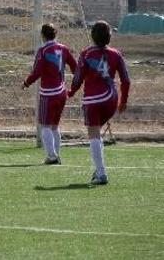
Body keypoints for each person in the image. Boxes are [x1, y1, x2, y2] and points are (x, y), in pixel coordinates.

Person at [68, 21, 130, 185]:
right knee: (97, 133)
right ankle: (99, 169)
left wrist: (71, 92)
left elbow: (78, 78)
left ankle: (101, 173)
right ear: (110, 37)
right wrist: (123, 102)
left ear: (92, 36)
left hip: (93, 100)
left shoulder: (86, 54)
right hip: (111, 99)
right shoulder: (116, 54)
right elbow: (126, 81)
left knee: (93, 135)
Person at [22, 23, 77, 165]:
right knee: (55, 126)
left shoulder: (43, 51)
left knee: (45, 126)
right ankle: (56, 155)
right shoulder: (63, 49)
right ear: (56, 34)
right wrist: (77, 83)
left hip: (48, 94)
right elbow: (75, 67)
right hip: (61, 93)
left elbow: (37, 71)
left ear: (42, 35)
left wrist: (26, 82)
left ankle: (52, 156)